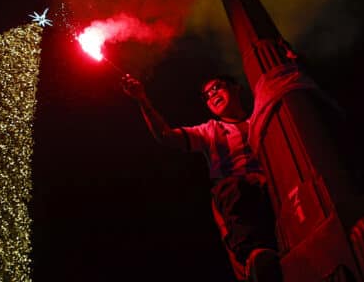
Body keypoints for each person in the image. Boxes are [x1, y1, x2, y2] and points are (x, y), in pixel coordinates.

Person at [121, 73, 283, 282]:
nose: (212, 94)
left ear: (236, 88)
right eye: (206, 95)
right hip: (240, 194)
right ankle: (255, 256)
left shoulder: (261, 119)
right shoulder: (209, 131)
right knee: (232, 188)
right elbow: (165, 136)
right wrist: (142, 99)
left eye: (217, 87)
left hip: (275, 187)